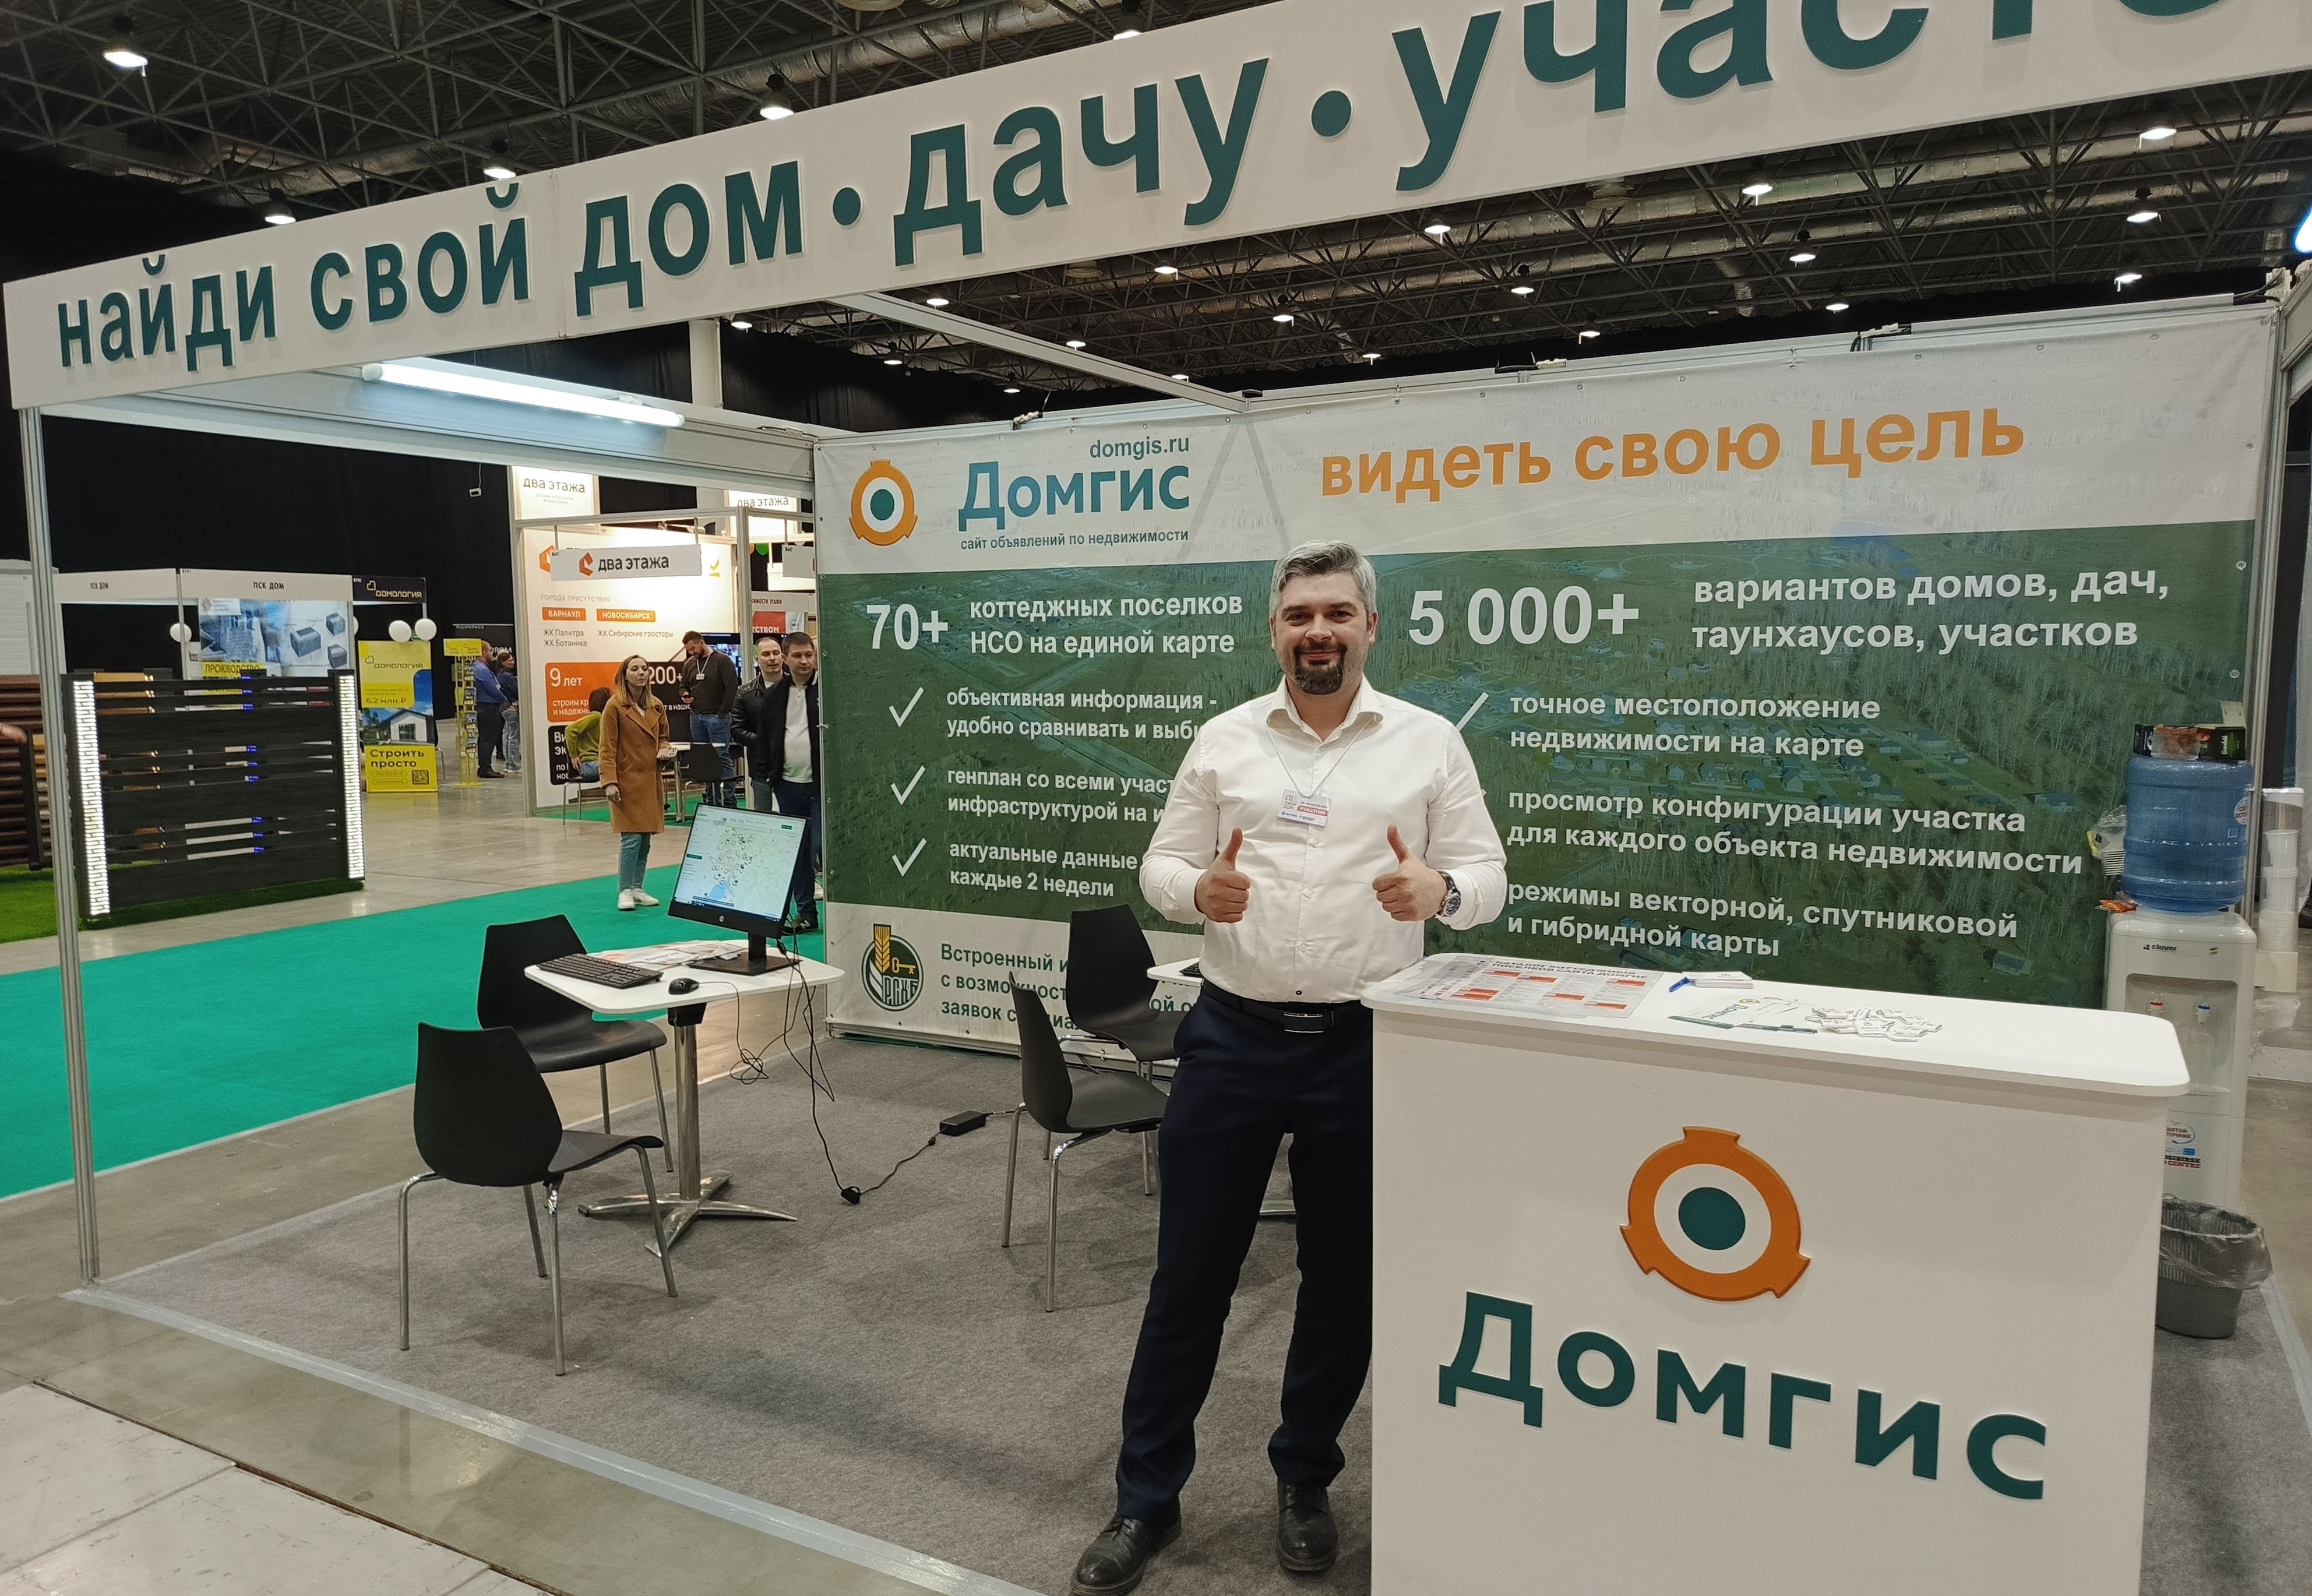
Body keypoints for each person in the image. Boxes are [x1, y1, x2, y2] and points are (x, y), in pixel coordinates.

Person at [1070, 542, 1506, 1595]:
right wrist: (1194, 893)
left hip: (1364, 1044)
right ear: (1274, 629)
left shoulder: (1429, 741)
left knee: (1342, 1282)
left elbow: (1487, 875)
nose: (1318, 630)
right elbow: (1162, 861)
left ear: (1369, 626)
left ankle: (1305, 1475)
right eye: (1300, 613)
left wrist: (1440, 891)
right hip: (1232, 1036)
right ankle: (1146, 1496)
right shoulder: (1225, 739)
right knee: (1189, 1277)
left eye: (1337, 612)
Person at [598, 654, 674, 911]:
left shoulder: (656, 705)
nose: (641, 673)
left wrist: (664, 749)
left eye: (644, 669)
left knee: (645, 840)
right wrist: (609, 781)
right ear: (625, 675)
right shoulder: (614, 707)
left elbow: (664, 737)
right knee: (631, 839)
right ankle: (625, 891)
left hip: (651, 780)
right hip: (626, 781)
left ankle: (637, 887)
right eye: (635, 669)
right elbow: (607, 748)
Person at [758, 631, 820, 931]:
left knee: (820, 847)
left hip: (822, 787)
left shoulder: (827, 692)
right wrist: (768, 777)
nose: (804, 661)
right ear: (786, 659)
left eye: (809, 655)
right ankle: (807, 913)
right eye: (797, 656)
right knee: (798, 851)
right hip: (787, 785)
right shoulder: (773, 696)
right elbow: (765, 738)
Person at [679, 630, 740, 806]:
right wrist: (685, 694)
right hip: (696, 717)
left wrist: (721, 713)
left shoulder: (722, 661)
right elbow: (683, 685)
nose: (692, 652)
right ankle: (712, 799)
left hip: (717, 718)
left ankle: (728, 801)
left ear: (701, 642)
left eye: (693, 648)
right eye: (689, 650)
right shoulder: (690, 664)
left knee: (722, 757)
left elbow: (732, 688)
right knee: (705, 758)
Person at [733, 636, 785, 813]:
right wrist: (764, 741)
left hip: (796, 772)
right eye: (766, 654)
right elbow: (737, 731)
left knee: (796, 822)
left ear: (783, 657)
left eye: (776, 653)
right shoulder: (745, 693)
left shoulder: (798, 688)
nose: (772, 658)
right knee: (765, 820)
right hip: (762, 772)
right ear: (757, 659)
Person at [471, 649, 507, 777]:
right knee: (488, 738)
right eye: (490, 650)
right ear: (483, 652)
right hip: (488, 707)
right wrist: (504, 700)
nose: (492, 654)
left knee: (485, 738)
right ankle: (485, 768)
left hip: (484, 706)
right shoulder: (482, 669)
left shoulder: (477, 668)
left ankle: (484, 767)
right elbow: (493, 689)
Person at [564, 687, 610, 783]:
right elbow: (570, 730)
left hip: (595, 764)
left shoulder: (604, 719)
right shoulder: (596, 716)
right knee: (622, 770)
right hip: (589, 765)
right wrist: (574, 756)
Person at [497, 650, 522, 773]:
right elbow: (516, 690)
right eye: (510, 660)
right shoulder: (507, 677)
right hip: (511, 708)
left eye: (513, 660)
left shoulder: (501, 675)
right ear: (503, 663)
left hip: (504, 708)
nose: (513, 662)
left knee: (508, 735)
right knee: (514, 737)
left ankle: (509, 764)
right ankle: (514, 765)